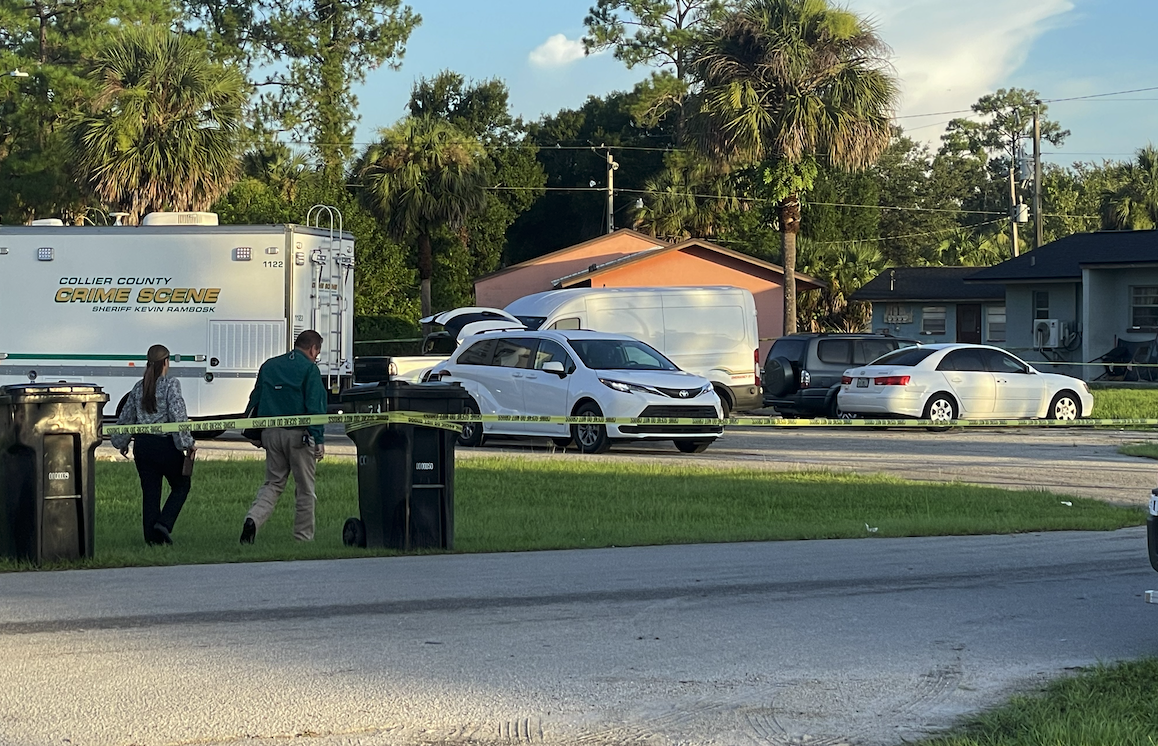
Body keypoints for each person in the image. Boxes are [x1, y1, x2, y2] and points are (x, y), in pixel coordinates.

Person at [239, 330, 327, 544]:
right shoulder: (310, 369)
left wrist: (253, 430)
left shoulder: (269, 365)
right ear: (313, 349)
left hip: (270, 433)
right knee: (305, 488)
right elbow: (315, 405)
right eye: (317, 352)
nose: (316, 356)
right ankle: (303, 538)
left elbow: (255, 399)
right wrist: (318, 438)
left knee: (273, 483)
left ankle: (253, 519)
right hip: (299, 435)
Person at [110, 344, 196, 546]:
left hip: (143, 447)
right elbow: (178, 416)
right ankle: (164, 524)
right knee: (181, 485)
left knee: (150, 493)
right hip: (165, 446)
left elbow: (126, 418)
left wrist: (121, 441)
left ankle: (151, 540)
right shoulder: (171, 384)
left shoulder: (138, 387)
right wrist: (187, 443)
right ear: (166, 362)